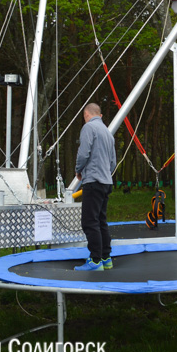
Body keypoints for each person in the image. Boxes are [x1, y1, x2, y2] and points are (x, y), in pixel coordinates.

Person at [73, 103, 117, 271]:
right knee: (101, 220)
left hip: (93, 180)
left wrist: (79, 170)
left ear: (86, 114)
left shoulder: (88, 128)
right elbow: (113, 161)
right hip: (106, 181)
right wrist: (106, 172)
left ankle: (95, 260)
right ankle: (106, 258)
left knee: (90, 222)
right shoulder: (108, 133)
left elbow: (84, 153)